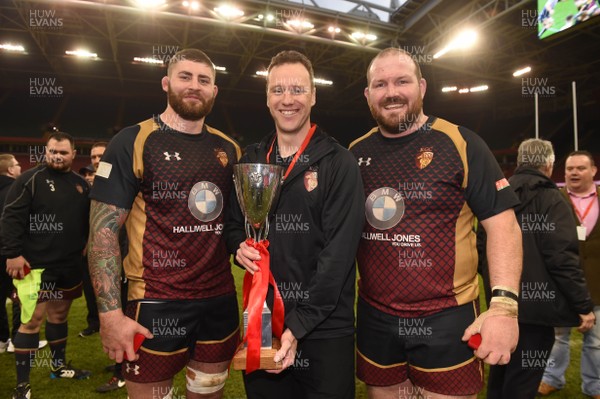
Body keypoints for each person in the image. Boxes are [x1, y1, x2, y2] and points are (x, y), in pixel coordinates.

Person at [349, 47, 522, 399]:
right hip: (375, 316)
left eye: (402, 81)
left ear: (422, 87)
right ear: (368, 95)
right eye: (380, 84)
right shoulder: (354, 153)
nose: (392, 91)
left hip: (447, 319)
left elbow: (503, 226)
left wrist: (504, 306)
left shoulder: (461, 142)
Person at [88, 48, 241, 399]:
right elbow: (103, 234)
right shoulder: (132, 141)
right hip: (155, 301)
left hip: (219, 300)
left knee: (208, 393)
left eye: (204, 80)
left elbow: (237, 223)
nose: (194, 86)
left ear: (214, 91)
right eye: (185, 77)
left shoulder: (229, 148)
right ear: (166, 82)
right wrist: (110, 316)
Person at [224, 50, 365, 399]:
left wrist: (297, 328)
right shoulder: (252, 159)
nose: (288, 100)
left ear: (313, 96)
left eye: (298, 90)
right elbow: (231, 225)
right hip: (264, 323)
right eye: (278, 90)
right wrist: (238, 246)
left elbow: (338, 257)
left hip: (325, 329)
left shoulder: (339, 162)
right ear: (267, 98)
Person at [480, 139, 595, 398]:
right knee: (523, 381)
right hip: (538, 310)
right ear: (549, 164)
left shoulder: (499, 191)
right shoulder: (553, 198)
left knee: (501, 372)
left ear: (520, 161)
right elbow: (561, 257)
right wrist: (582, 305)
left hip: (502, 301)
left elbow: (480, 246)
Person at [1, 133, 92, 399]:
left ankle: (58, 367)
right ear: (46, 151)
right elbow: (10, 218)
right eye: (53, 151)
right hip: (35, 268)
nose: (57, 156)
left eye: (63, 152)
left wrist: (85, 242)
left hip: (68, 265)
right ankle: (22, 385)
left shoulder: (81, 185)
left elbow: (86, 219)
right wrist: (12, 254)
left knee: (59, 317)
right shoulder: (29, 180)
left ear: (73, 154)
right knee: (30, 323)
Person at [539, 150, 600, 398]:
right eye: (569, 169)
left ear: (593, 171)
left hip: (597, 283)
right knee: (558, 337)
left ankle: (594, 385)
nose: (574, 172)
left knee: (596, 341)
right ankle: (552, 378)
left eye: (580, 168)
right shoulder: (554, 199)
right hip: (560, 283)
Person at [0, 154, 22, 353]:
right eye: (16, 165)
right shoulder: (14, 190)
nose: (20, 167)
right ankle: (17, 338)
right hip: (12, 254)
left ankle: (2, 340)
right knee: (19, 295)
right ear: (9, 170)